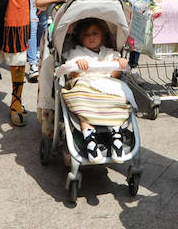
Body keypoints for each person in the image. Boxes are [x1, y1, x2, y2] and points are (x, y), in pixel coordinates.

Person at [53, 17, 133, 162]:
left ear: (102, 35)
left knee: (118, 97)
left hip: (107, 88)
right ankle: (90, 141)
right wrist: (77, 67)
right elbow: (71, 75)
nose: (91, 37)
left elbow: (114, 77)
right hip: (85, 88)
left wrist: (119, 66)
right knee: (83, 105)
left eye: (95, 33)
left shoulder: (110, 54)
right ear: (79, 38)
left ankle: (116, 138)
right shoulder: (77, 53)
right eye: (86, 34)